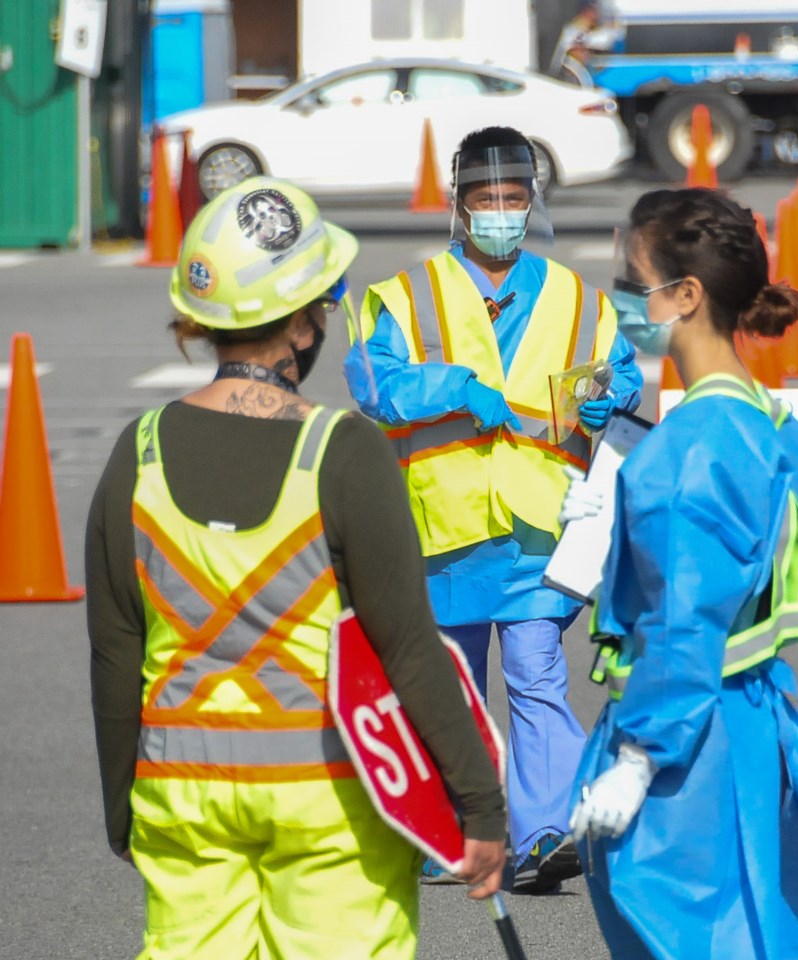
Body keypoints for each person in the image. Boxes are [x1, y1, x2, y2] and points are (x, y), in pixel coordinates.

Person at [86, 176, 506, 960]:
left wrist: (125, 808)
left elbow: (115, 653)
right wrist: (478, 804)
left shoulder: (134, 455)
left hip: (184, 789)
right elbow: (407, 646)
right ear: (303, 323)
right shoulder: (341, 453)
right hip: (327, 796)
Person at [564, 187, 798, 959]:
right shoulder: (770, 423)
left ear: (684, 295)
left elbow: (683, 625)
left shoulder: (685, 453)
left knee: (690, 931)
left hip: (685, 741)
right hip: (754, 718)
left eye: (631, 275)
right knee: (770, 922)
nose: (620, 292)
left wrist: (637, 758)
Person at [343, 126, 643, 892]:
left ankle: (545, 832)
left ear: (531, 202)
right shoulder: (407, 297)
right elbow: (372, 384)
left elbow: (623, 371)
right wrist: (451, 388)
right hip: (442, 530)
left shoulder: (579, 301)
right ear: (460, 205)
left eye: (514, 199)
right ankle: (453, 831)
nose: (502, 213)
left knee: (537, 674)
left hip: (540, 529)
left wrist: (619, 393)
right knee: (454, 688)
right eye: (487, 201)